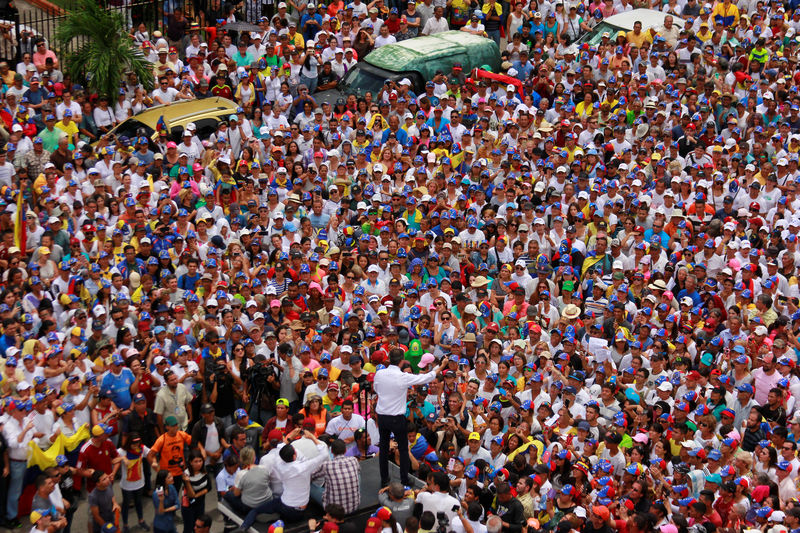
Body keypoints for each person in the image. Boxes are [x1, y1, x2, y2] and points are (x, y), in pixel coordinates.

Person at [373, 349, 447, 486]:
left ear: (389, 359)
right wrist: (441, 366)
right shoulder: (403, 377)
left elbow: (376, 389)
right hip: (396, 418)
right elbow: (426, 378)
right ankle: (404, 479)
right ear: (402, 361)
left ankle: (384, 480)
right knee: (403, 449)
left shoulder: (379, 374)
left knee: (383, 448)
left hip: (382, 417)